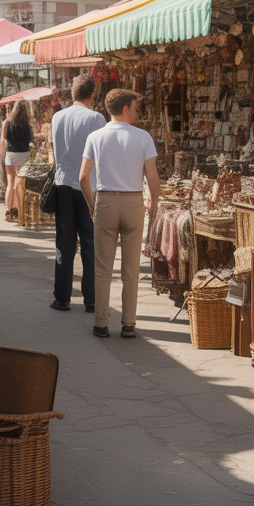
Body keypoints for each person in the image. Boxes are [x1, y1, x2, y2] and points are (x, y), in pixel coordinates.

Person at [79, 89, 159, 338]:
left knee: (103, 268)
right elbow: (152, 176)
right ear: (125, 108)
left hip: (106, 200)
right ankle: (128, 323)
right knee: (131, 269)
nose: (136, 111)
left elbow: (83, 177)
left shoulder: (95, 136)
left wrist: (92, 204)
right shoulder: (143, 137)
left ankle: (101, 323)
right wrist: (154, 202)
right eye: (135, 107)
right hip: (134, 202)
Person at [49, 76, 104, 312]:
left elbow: (55, 148)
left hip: (62, 184)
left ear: (73, 93)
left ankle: (62, 297)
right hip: (87, 186)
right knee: (90, 244)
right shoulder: (96, 118)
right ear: (92, 95)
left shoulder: (57, 117)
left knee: (64, 242)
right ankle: (91, 300)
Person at [0, 100, 32, 223]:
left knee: (10, 182)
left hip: (11, 154)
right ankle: (19, 210)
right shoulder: (27, 124)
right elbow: (29, 139)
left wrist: (2, 156)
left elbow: (3, 141)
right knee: (20, 183)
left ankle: (9, 210)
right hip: (23, 154)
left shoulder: (7, 122)